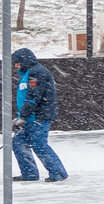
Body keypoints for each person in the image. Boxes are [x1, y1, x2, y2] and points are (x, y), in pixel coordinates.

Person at [10, 48, 67, 182]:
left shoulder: (37, 73)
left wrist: (23, 115)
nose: (16, 66)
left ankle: (58, 173)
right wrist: (21, 115)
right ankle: (29, 173)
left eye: (17, 63)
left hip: (38, 117)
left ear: (24, 61)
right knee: (18, 142)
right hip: (29, 116)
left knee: (39, 144)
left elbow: (33, 96)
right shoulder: (28, 74)